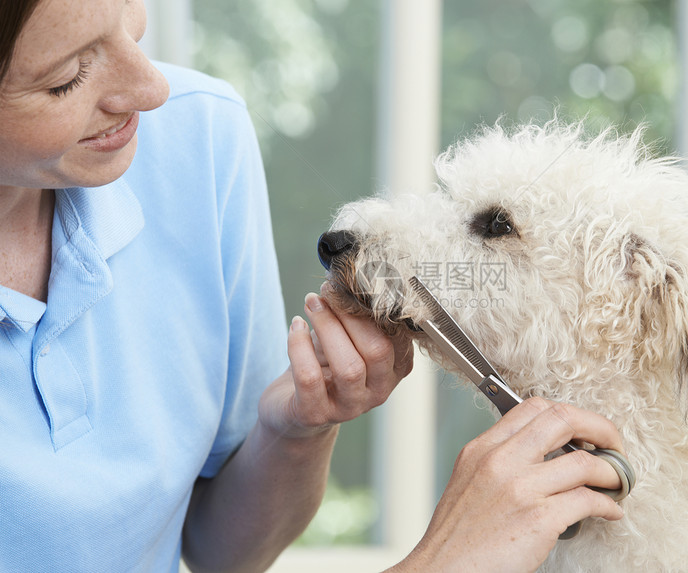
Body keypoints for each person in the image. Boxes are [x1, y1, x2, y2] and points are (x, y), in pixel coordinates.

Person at [0, 1, 626, 571]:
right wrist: (445, 560)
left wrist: (292, 429)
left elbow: (224, 557)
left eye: (132, 24)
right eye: (68, 77)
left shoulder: (194, 137)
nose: (152, 87)